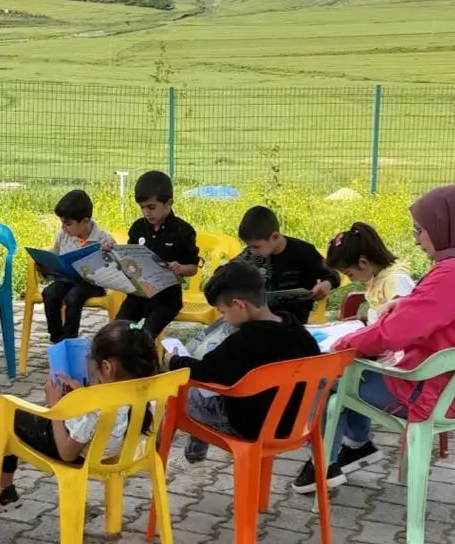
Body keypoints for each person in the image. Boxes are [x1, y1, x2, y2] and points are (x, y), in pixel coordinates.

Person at [293, 182, 455, 494]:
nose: (416, 239)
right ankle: (355, 448)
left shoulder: (454, 272)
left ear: (448, 225)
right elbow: (443, 310)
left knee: (333, 378)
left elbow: (393, 333)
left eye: (421, 230)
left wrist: (342, 344)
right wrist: (404, 305)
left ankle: (325, 465)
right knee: (350, 373)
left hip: (426, 392)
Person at [168, 260, 320, 463]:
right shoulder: (299, 330)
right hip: (293, 424)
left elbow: (204, 371)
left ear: (239, 305)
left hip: (249, 426)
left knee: (176, 394)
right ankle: (196, 443)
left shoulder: (245, 341)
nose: (223, 318)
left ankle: (162, 457)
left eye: (223, 312)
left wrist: (173, 361)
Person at [0, 320, 158, 506]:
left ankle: (5, 488)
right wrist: (83, 395)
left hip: (79, 453)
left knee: (12, 414)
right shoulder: (152, 396)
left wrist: (54, 408)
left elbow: (67, 453)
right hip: (120, 454)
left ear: (107, 367)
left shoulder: (98, 410)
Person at [115, 170, 199, 338]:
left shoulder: (183, 231)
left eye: (152, 207)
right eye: (142, 207)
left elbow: (193, 268)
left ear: (169, 203)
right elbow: (129, 258)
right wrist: (114, 255)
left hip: (167, 300)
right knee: (117, 330)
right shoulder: (138, 228)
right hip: (139, 295)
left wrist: (180, 268)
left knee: (147, 334)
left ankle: (145, 354)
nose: (147, 213)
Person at [237, 205, 339, 325]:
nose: (252, 251)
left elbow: (333, 274)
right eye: (249, 246)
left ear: (275, 237)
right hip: (259, 320)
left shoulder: (303, 251)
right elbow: (224, 273)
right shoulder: (249, 256)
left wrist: (327, 283)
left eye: (256, 246)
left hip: (294, 322)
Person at [41, 188, 117, 343]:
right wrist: (46, 261)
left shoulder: (103, 239)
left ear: (85, 222)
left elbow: (114, 266)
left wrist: (107, 254)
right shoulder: (63, 235)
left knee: (73, 297)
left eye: (68, 224)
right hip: (66, 279)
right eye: (62, 223)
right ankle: (57, 338)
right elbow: (56, 254)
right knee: (50, 293)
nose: (63, 228)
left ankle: (70, 339)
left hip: (92, 283)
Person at [325, 222, 416, 322]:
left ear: (363, 262)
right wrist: (364, 319)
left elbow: (406, 320)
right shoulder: (375, 275)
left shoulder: (396, 280)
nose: (351, 280)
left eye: (350, 274)